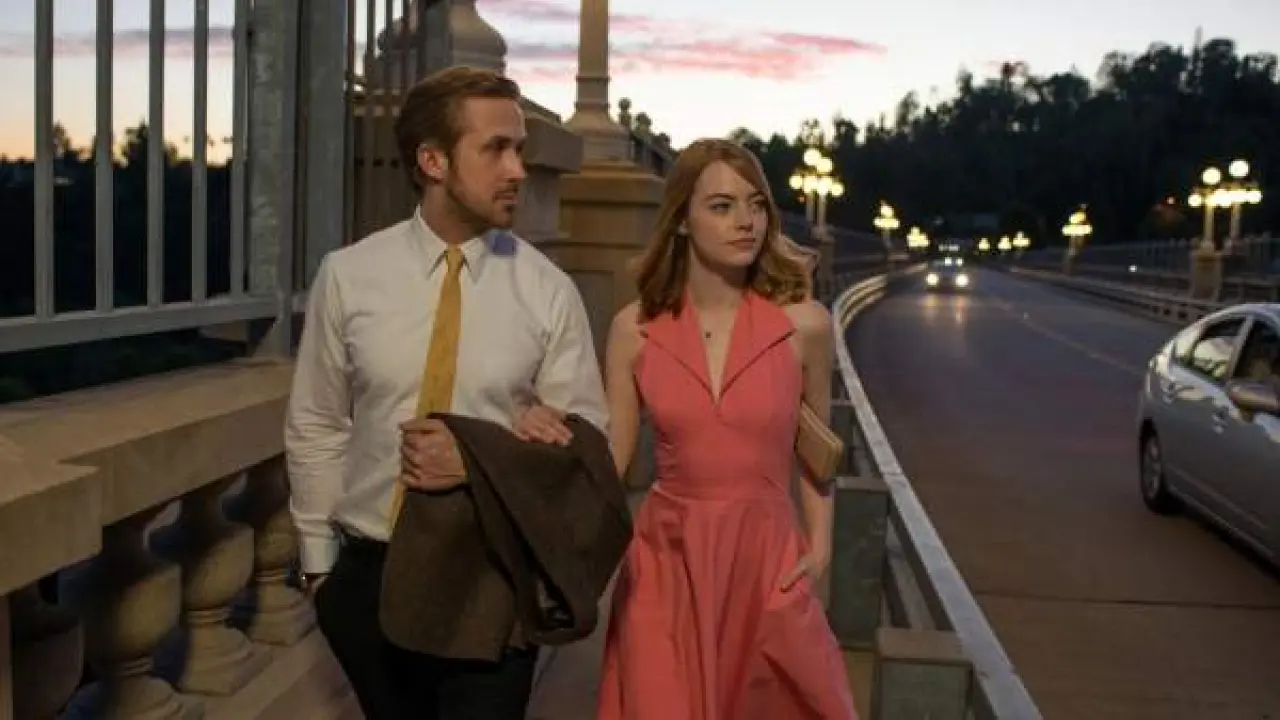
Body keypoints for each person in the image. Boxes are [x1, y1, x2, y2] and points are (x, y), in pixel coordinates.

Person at [284, 65, 608, 720]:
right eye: (496, 149)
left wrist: (482, 460)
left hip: (490, 575)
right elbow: (317, 422)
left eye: (520, 149)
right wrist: (321, 571)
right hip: (368, 576)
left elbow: (589, 449)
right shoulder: (348, 276)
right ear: (433, 161)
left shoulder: (548, 291)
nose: (517, 170)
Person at [596, 138, 858, 719]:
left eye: (756, 204)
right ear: (681, 219)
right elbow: (612, 459)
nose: (746, 221)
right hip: (665, 563)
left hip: (766, 560)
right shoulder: (633, 330)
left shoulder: (805, 327)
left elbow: (817, 451)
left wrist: (819, 547)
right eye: (721, 206)